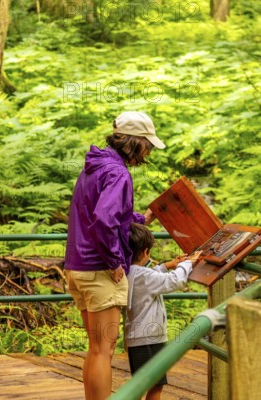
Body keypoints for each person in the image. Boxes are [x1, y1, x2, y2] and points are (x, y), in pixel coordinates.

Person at [64, 111, 166, 400]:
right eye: (147, 145)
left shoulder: (95, 166)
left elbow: (106, 212)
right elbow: (105, 220)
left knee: (96, 349)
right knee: (104, 350)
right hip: (99, 269)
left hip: (78, 266)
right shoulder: (118, 173)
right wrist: (114, 262)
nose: (147, 152)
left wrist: (140, 218)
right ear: (134, 142)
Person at [125, 223, 202, 400]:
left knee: (144, 386)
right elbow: (174, 281)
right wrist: (188, 264)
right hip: (148, 339)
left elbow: (148, 276)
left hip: (141, 338)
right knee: (154, 387)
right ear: (145, 252)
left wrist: (169, 264)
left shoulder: (131, 271)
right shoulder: (143, 276)